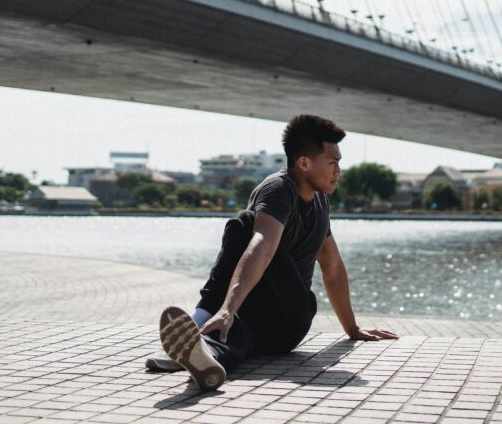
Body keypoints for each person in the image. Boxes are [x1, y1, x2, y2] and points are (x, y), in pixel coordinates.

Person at [148, 114, 397, 390]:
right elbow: (262, 249)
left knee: (244, 224)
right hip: (270, 325)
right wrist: (229, 313)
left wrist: (352, 329)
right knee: (232, 334)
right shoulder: (279, 190)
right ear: (304, 163)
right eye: (333, 162)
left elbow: (331, 266)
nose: (338, 170)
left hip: (293, 312)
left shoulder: (320, 201)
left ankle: (198, 322)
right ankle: (201, 356)